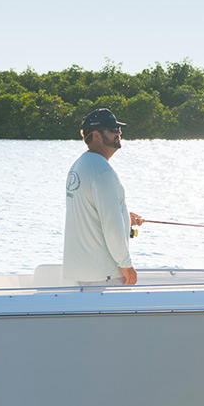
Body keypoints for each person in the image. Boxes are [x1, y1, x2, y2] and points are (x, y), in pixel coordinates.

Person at [63, 108, 143, 286]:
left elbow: (90, 212)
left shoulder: (79, 166)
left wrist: (125, 217)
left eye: (118, 129)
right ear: (96, 135)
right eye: (113, 130)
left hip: (81, 275)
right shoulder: (102, 172)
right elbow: (111, 226)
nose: (119, 133)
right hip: (105, 277)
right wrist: (126, 265)